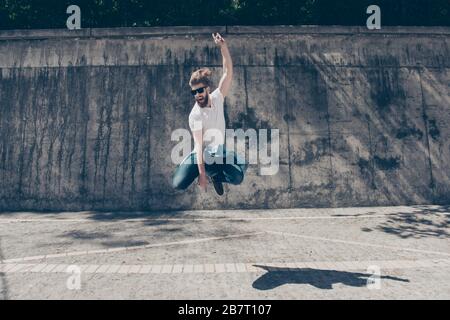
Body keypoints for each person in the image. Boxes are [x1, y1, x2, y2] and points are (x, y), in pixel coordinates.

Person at [172, 33, 247, 195]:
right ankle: (205, 172)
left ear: (207, 88)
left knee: (238, 176)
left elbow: (228, 72)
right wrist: (202, 174)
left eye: (200, 90)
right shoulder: (195, 115)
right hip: (199, 156)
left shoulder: (218, 97)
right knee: (178, 184)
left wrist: (223, 47)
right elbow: (199, 146)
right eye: (194, 92)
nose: (197, 94)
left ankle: (217, 176)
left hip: (218, 154)